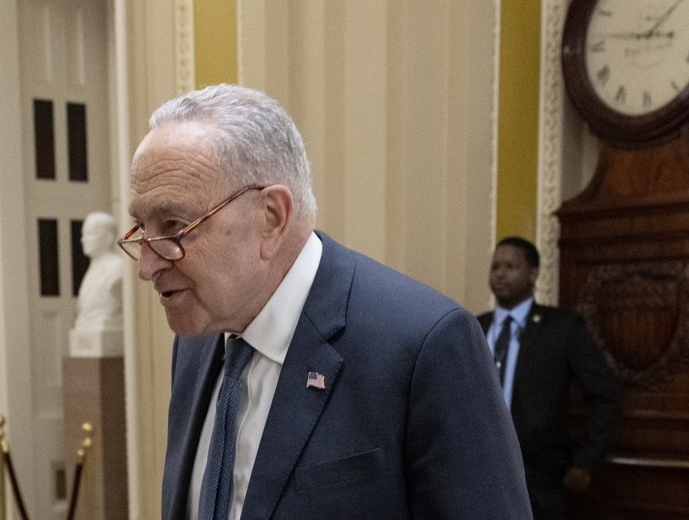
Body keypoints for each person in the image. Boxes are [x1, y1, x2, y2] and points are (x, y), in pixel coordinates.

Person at [119, 84, 532, 520]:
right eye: (142, 228)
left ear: (271, 217)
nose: (147, 265)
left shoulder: (424, 346)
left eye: (174, 226)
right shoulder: (198, 341)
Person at [477, 236, 620, 520]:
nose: (500, 274)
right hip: (478, 471)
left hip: (539, 480)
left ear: (534, 274)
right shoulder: (474, 327)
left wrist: (586, 461)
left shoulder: (562, 329)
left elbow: (605, 395)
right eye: (495, 267)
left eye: (510, 267)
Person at [74, 211, 124, 331]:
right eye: (83, 234)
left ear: (108, 238)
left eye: (89, 234)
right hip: (87, 324)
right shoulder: (91, 269)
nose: (83, 239)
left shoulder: (117, 268)